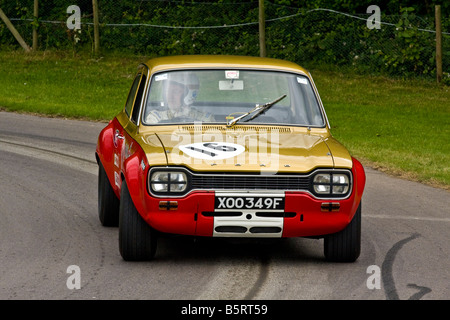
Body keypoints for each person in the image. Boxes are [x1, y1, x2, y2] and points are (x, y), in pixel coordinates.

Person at [145, 72, 214, 124]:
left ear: (189, 93)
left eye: (176, 91)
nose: (170, 96)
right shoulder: (155, 117)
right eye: (167, 91)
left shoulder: (205, 118)